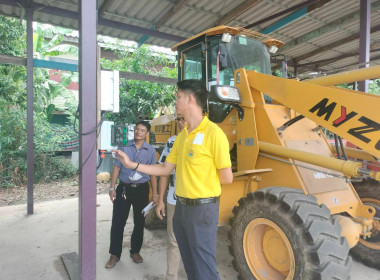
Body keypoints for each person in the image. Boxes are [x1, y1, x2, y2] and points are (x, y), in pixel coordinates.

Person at [113, 79, 233, 280]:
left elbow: (226, 177)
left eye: (177, 97)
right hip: (181, 208)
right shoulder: (182, 137)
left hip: (202, 209)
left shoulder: (214, 133)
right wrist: (131, 164)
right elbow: (165, 168)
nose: (175, 102)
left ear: (190, 99)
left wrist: (198, 184)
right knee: (190, 266)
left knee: (205, 268)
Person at [105, 121, 158, 269]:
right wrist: (112, 187)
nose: (138, 132)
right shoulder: (124, 146)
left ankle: (135, 251)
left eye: (142, 130)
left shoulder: (151, 151)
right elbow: (116, 166)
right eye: (136, 129)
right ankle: (114, 254)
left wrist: (155, 193)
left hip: (142, 190)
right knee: (117, 222)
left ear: (147, 133)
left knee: (139, 222)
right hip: (124, 189)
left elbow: (153, 173)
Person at [156, 116, 187, 280]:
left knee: (194, 243)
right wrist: (160, 199)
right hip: (173, 200)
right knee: (174, 242)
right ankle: (171, 277)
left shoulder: (203, 139)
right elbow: (163, 172)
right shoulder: (171, 142)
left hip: (195, 202)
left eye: (185, 119)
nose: (181, 123)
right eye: (179, 120)